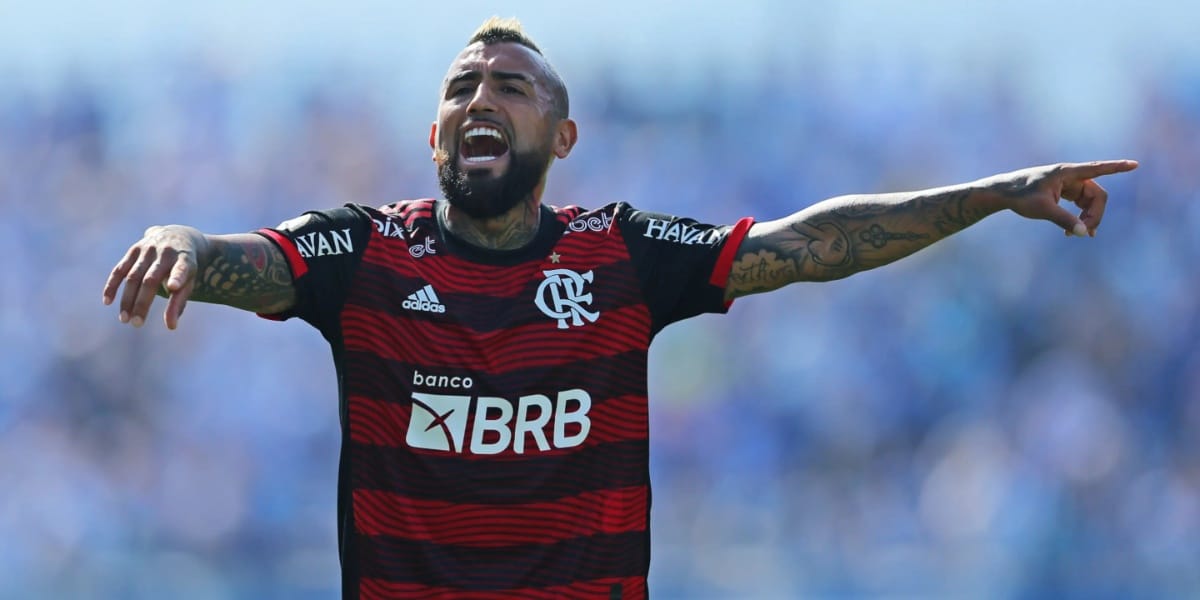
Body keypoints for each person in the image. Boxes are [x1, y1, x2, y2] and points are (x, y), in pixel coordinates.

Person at [101, 16, 1137, 600]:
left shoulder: (621, 256)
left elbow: (807, 246)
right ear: (433, 136)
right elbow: (250, 254)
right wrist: (180, 240)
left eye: (513, 86)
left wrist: (996, 193)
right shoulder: (368, 250)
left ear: (562, 137)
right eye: (464, 86)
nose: (482, 99)